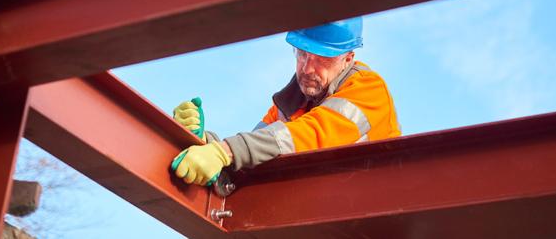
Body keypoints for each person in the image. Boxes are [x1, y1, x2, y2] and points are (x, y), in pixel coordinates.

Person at [171, 17, 400, 186]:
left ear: (347, 58)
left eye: (322, 59)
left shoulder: (369, 90)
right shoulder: (291, 103)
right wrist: (202, 141)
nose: (308, 68)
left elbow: (310, 134)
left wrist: (223, 152)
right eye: (302, 54)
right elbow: (251, 154)